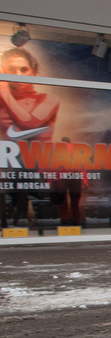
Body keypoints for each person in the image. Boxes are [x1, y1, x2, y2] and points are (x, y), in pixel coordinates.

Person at [1, 47, 62, 227]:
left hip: (35, 172)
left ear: (34, 72)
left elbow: (28, 123)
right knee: (9, 216)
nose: (17, 74)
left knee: (41, 217)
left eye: (23, 69)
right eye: (11, 70)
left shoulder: (47, 98)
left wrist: (4, 91)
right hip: (6, 171)